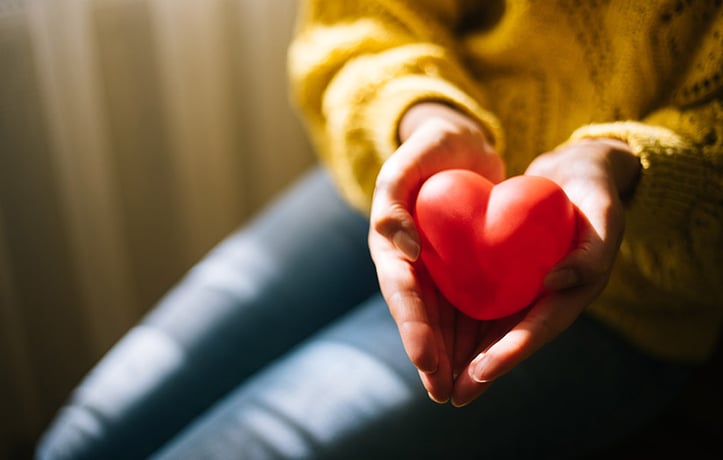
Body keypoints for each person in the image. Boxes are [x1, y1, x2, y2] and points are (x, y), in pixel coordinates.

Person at [37, 1, 722, 459]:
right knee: (88, 432)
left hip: (634, 293)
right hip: (408, 174)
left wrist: (631, 168)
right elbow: (357, 14)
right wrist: (420, 116)